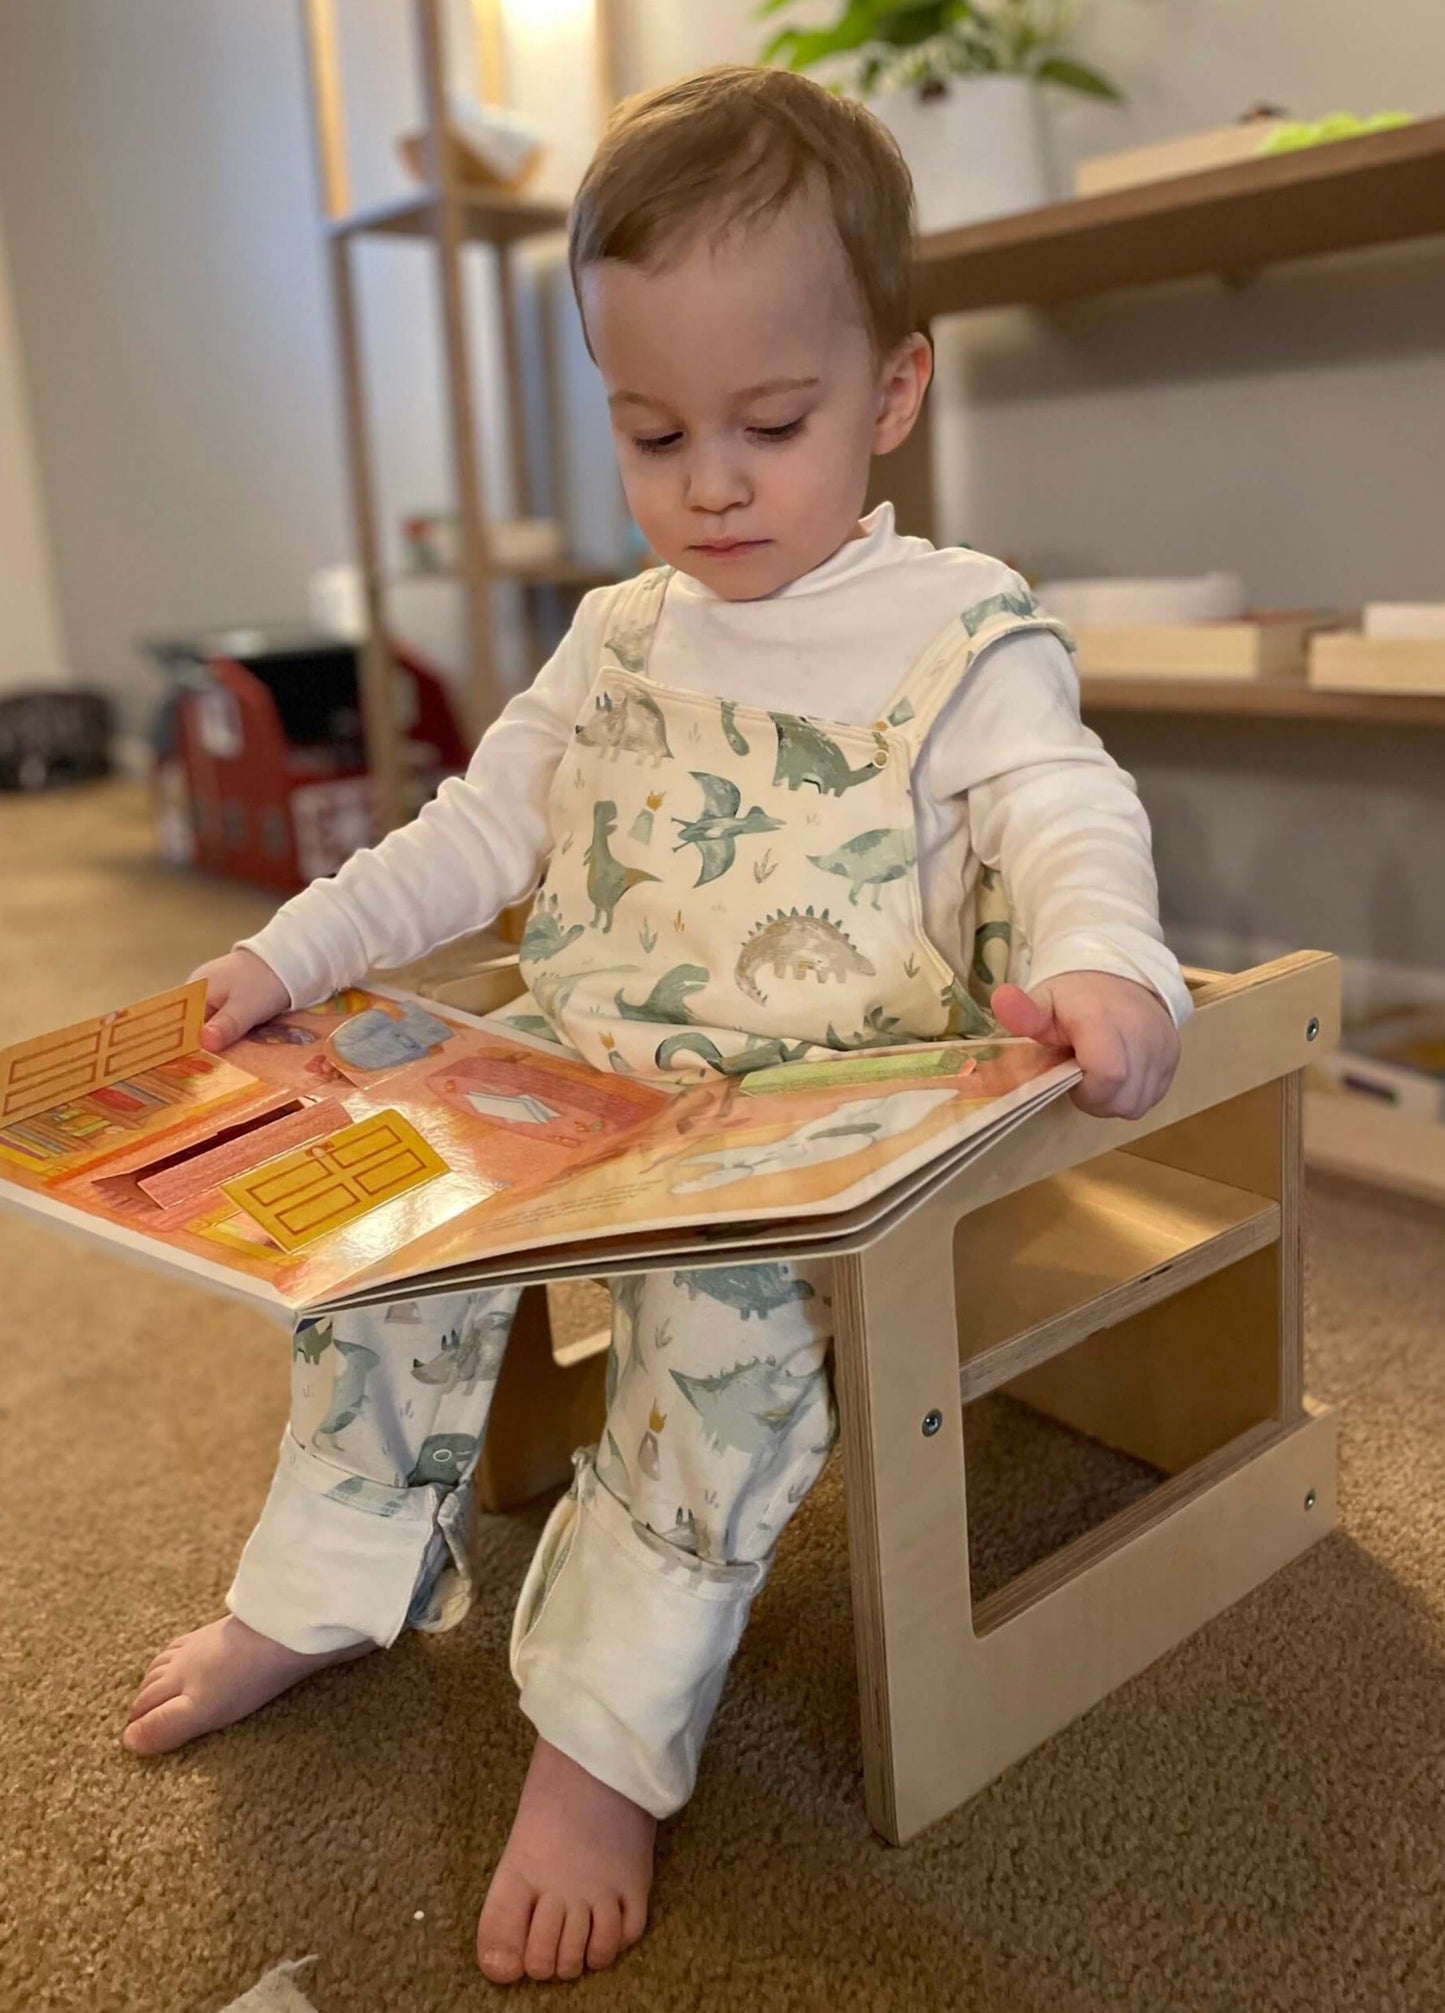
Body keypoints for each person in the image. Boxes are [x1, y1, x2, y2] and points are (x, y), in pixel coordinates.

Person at [121, 64, 1186, 1985]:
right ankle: (324, 1588)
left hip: (804, 1130)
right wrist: (286, 957)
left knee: (717, 1351)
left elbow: (1066, 815)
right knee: (373, 1244)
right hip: (564, 1083)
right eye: (649, 431)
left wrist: (1112, 960)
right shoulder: (617, 634)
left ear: (890, 394)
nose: (708, 481)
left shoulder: (961, 630)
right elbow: (467, 833)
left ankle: (604, 1737)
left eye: (768, 425)